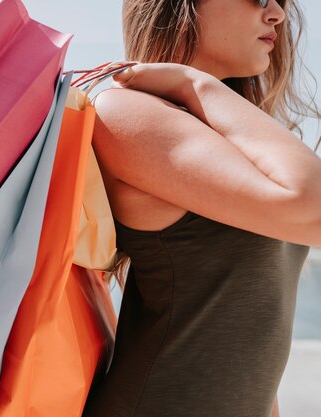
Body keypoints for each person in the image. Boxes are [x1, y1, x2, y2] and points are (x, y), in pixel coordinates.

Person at [80, 0, 321, 416]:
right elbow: (312, 209)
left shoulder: (221, 137)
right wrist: (197, 84)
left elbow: (251, 337)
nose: (277, 13)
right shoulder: (127, 111)